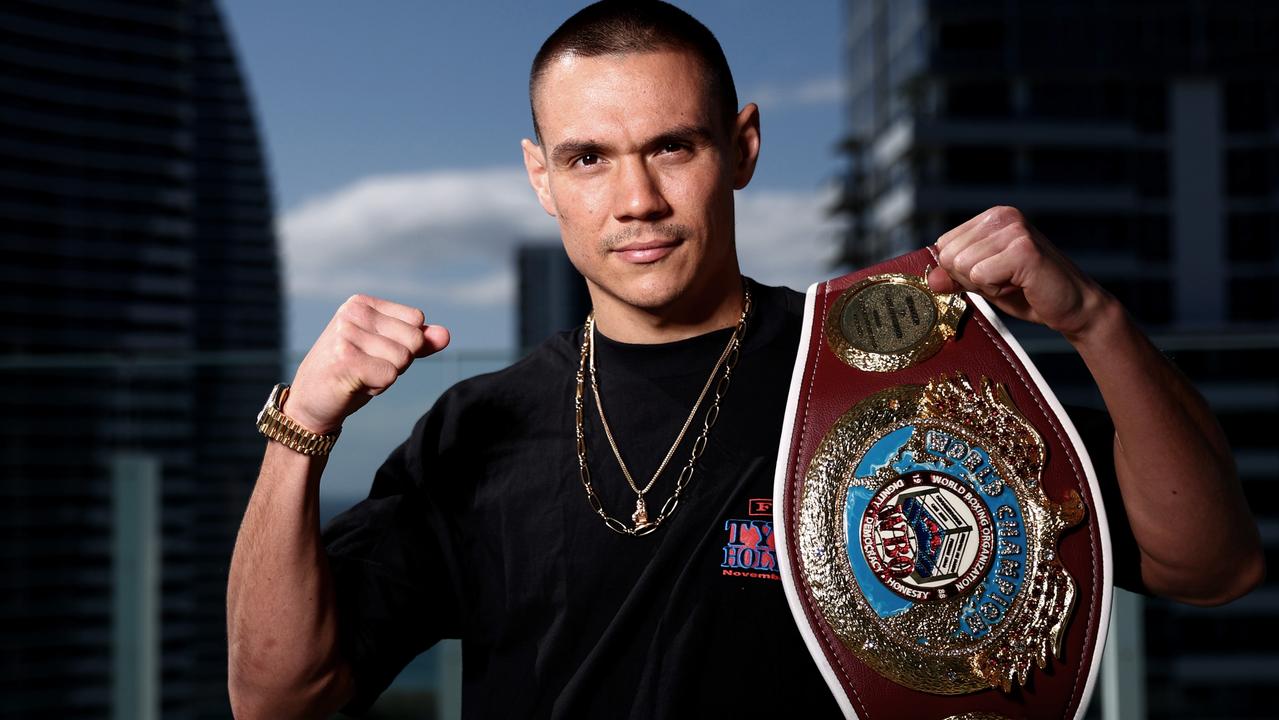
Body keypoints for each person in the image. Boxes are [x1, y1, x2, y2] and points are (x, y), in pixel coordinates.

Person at [226, 2, 1263, 718]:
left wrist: (1098, 324)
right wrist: (301, 429)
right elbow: (277, 697)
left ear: (743, 147)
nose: (635, 200)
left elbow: (1210, 565)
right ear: (542, 178)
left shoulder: (885, 364)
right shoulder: (477, 426)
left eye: (672, 147)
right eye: (588, 158)